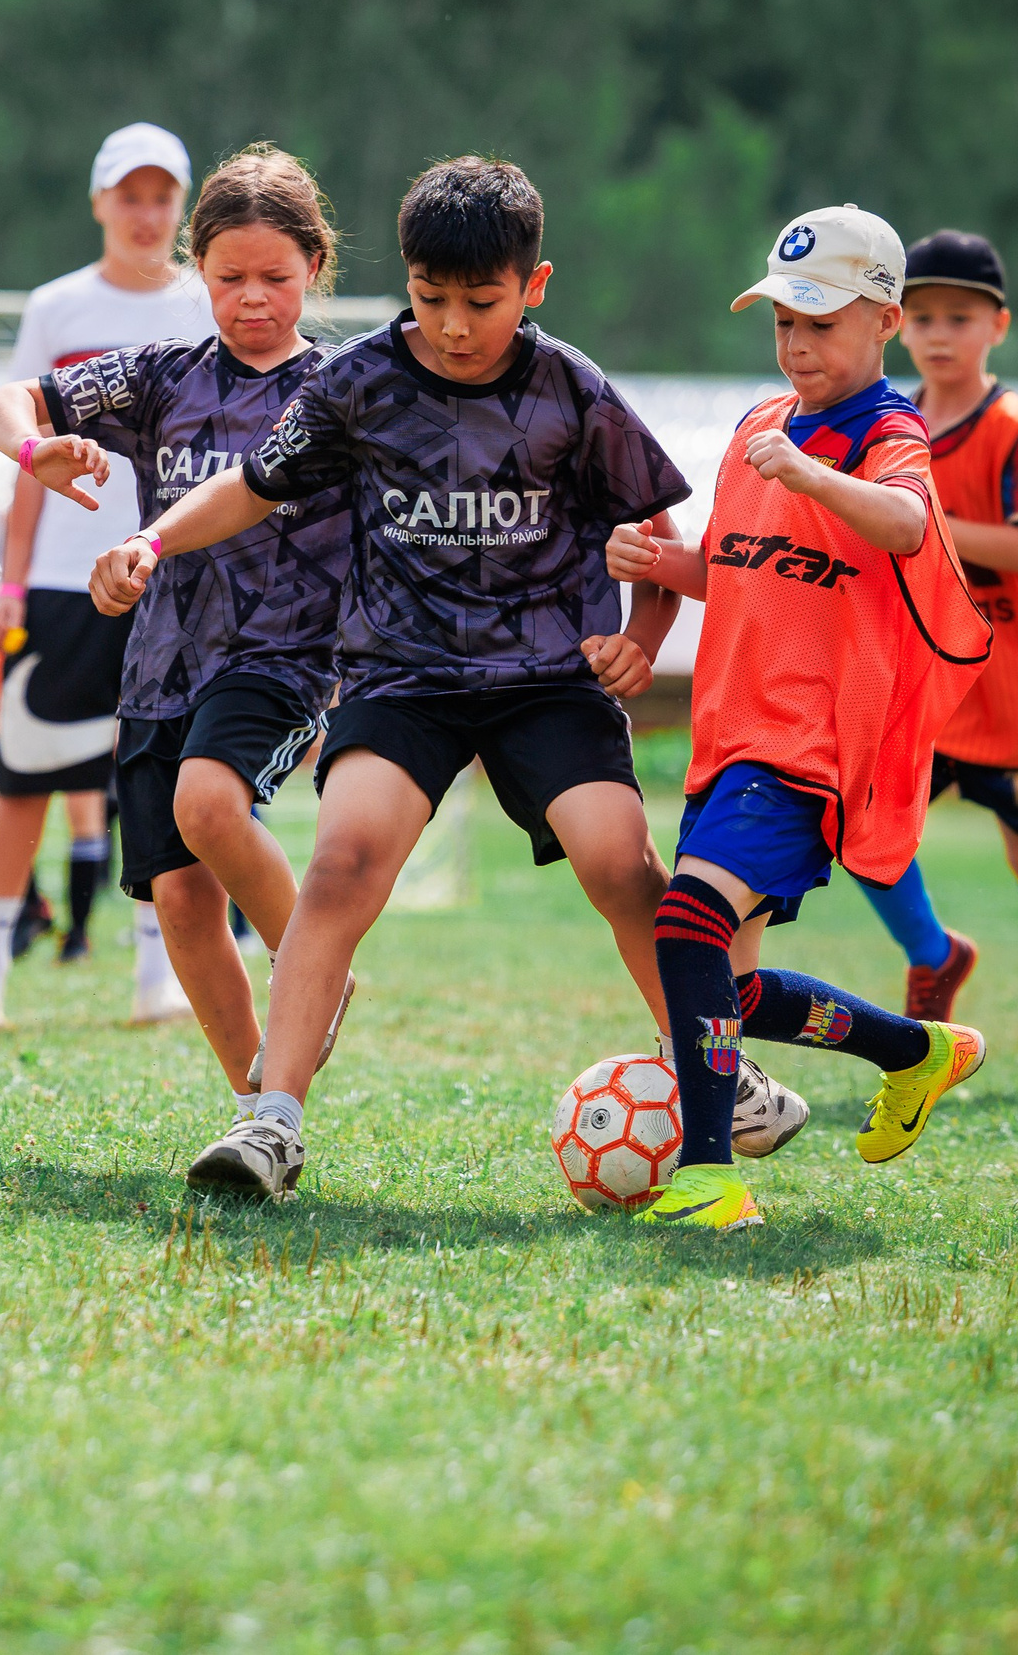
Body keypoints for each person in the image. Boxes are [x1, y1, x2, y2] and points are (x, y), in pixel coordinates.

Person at [94, 157, 687, 1200]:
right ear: (403, 281)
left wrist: (643, 631)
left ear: (533, 287)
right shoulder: (360, 383)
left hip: (545, 675)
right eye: (430, 298)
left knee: (620, 865)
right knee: (341, 864)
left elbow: (652, 527)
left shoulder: (572, 392)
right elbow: (252, 485)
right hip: (402, 675)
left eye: (481, 302)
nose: (454, 325)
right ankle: (270, 1124)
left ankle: (711, 1068)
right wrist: (153, 538)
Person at [603, 205, 994, 1232]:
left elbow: (909, 524)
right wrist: (663, 567)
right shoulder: (754, 429)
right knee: (726, 990)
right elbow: (740, 575)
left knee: (682, 921)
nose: (796, 345)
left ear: (886, 323)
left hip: (808, 746)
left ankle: (709, 1175)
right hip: (728, 736)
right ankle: (916, 1051)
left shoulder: (885, 431)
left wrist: (819, 474)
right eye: (782, 322)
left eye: (819, 323)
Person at [0, 144, 354, 1132]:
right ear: (197, 270)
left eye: (274, 279)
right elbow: (8, 401)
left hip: (282, 659)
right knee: (180, 901)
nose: (250, 298)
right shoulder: (159, 378)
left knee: (209, 802)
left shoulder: (345, 393)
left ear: (314, 268)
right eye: (228, 277)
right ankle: (259, 1109)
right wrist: (35, 446)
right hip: (157, 669)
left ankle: (316, 963)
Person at [0, 122, 216, 1030]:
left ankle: (157, 973)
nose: (145, 215)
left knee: (163, 777)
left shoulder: (206, 304)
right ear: (98, 202)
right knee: (23, 774)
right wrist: (10, 585)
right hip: (63, 584)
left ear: (182, 208)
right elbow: (21, 453)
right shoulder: (55, 308)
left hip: (169, 578)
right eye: (128, 196)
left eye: (160, 197)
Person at [851, 231, 1018, 1096]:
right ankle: (935, 954)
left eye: (960, 317)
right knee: (864, 834)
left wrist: (918, 518)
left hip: (1004, 688)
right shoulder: (887, 417)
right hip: (924, 684)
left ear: (997, 326)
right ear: (897, 325)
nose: (939, 334)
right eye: (924, 316)